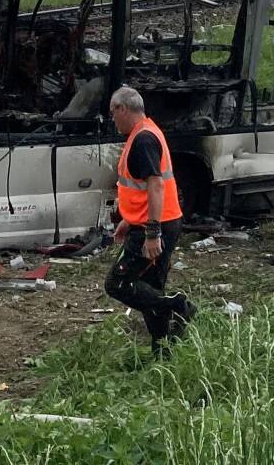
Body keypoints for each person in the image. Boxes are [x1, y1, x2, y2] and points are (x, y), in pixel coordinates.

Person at [102, 86, 194, 352]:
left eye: (113, 113)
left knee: (118, 283)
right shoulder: (147, 131)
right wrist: (128, 219)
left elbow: (155, 186)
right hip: (160, 221)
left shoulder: (142, 139)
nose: (113, 119)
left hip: (155, 226)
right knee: (152, 289)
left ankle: (179, 306)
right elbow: (142, 187)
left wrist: (152, 233)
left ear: (122, 108)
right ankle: (162, 349)